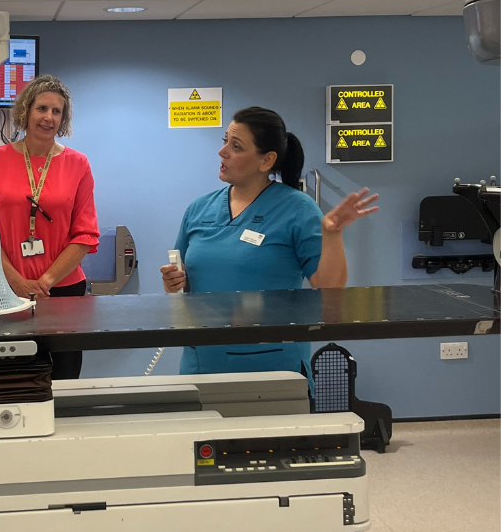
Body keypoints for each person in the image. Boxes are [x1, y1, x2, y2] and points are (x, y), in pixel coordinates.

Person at [160, 106, 379, 389]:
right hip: (202, 361)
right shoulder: (199, 209)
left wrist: (332, 233)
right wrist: (173, 280)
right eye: (224, 141)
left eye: (235, 146)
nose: (222, 152)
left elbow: (329, 289)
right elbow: (181, 284)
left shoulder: (297, 209)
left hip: (271, 364)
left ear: (267, 160)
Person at [0, 74, 100, 379]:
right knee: (14, 374)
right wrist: (17, 281)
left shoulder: (78, 164)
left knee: (65, 376)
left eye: (56, 111)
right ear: (26, 112)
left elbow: (85, 233)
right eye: (42, 108)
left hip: (63, 288)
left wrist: (45, 281)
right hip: (7, 287)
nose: (48, 118)